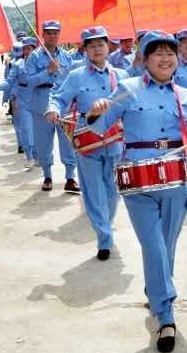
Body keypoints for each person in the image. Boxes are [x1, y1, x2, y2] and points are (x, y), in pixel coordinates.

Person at [87, 31, 187, 353]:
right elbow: (96, 127)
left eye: (170, 52)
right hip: (137, 180)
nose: (166, 58)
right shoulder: (127, 90)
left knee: (167, 246)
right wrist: (97, 109)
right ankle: (166, 315)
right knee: (153, 246)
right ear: (144, 58)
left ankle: (155, 290)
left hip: (176, 177)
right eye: (158, 53)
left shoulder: (184, 95)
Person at [47, 26, 128, 260]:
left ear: (108, 46)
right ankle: (104, 237)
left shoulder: (121, 76)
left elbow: (133, 104)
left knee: (113, 189)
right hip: (87, 138)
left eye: (100, 44)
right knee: (93, 191)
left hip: (115, 138)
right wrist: (53, 109)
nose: (97, 49)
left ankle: (106, 223)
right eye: (91, 45)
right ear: (85, 50)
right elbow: (58, 97)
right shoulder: (76, 76)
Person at [24, 20, 79, 193]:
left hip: (64, 105)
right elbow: (29, 81)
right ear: (43, 35)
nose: (53, 36)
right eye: (49, 33)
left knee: (68, 142)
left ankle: (70, 177)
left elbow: (72, 81)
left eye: (56, 33)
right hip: (41, 104)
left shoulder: (66, 56)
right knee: (43, 143)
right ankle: (47, 176)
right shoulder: (34, 56)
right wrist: (47, 71)